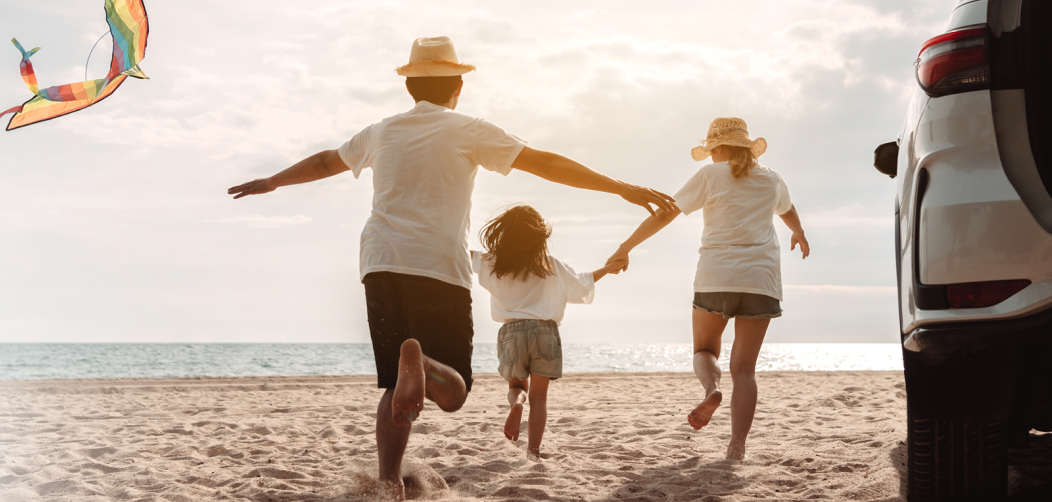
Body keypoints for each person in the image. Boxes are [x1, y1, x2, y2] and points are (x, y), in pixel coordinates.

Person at [226, 36, 675, 500]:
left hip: (378, 262)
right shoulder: (469, 129)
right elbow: (543, 163)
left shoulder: (382, 130)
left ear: (409, 88)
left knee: (392, 384)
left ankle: (388, 481)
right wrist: (619, 186)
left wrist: (273, 181)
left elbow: (325, 161)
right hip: (437, 266)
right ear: (458, 86)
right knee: (454, 393)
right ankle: (422, 364)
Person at [606, 117, 809, 460]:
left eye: (711, 151)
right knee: (744, 370)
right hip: (762, 281)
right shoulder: (773, 179)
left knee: (704, 350)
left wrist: (626, 246)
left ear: (718, 148)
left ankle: (712, 389)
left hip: (717, 277)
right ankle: (737, 446)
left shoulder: (711, 175)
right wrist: (800, 233)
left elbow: (666, 214)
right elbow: (787, 211)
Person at [470, 205, 625, 462]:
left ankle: (516, 405)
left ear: (504, 234)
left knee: (517, 387)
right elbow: (583, 281)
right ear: (540, 238)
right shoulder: (551, 265)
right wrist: (608, 268)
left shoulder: (492, 262)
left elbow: (460, 254)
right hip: (545, 332)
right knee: (539, 398)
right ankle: (533, 452)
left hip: (511, 332)